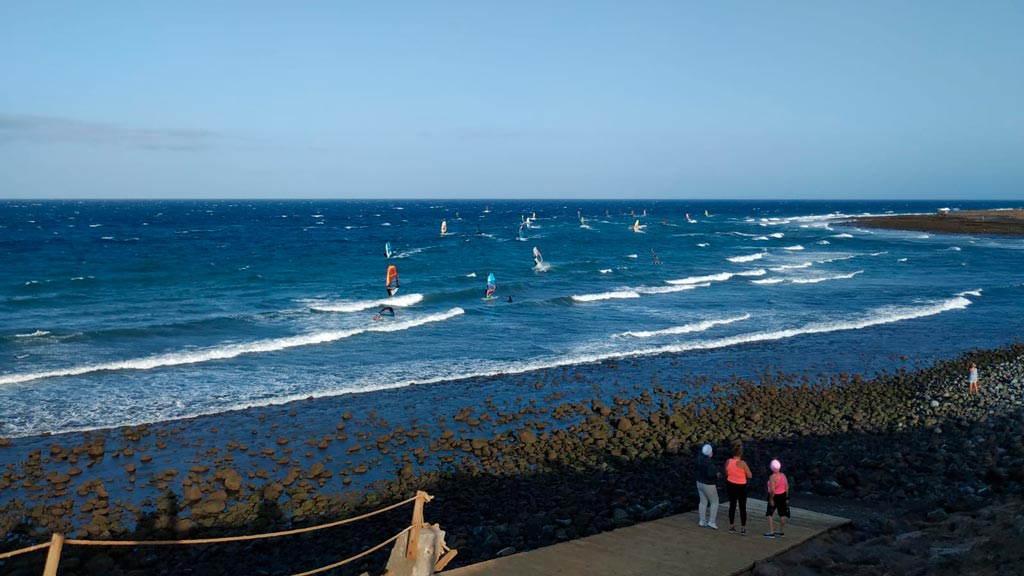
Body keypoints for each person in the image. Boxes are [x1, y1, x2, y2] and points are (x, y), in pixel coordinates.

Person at [725, 441, 752, 535]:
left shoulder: (728, 461)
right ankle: (743, 528)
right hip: (741, 486)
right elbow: (749, 475)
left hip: (730, 484)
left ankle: (731, 526)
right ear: (741, 453)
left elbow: (726, 472)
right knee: (742, 507)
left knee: (732, 506)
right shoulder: (742, 463)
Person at [695, 444, 720, 529]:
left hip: (699, 482)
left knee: (702, 501)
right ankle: (711, 522)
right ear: (710, 453)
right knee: (714, 501)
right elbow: (710, 474)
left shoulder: (699, 458)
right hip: (708, 484)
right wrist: (717, 475)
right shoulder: (709, 462)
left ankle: (702, 521)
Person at [764, 459, 790, 538]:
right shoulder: (783, 475)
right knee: (782, 514)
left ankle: (772, 532)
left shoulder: (772, 477)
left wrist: (771, 499)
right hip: (783, 496)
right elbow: (787, 487)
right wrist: (787, 497)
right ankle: (781, 532)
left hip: (775, 496)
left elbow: (772, 490)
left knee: (769, 514)